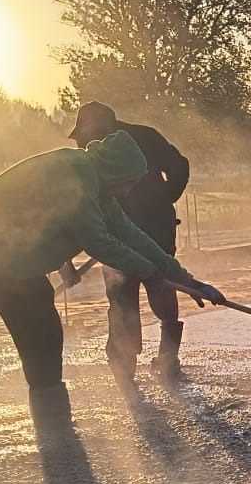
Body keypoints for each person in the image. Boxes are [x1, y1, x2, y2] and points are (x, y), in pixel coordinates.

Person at [0, 130, 224, 463]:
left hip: (18, 266)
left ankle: (56, 434)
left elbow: (132, 237)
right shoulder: (75, 173)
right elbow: (98, 241)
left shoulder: (102, 191)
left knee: (43, 341)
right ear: (116, 170)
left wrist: (188, 280)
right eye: (130, 181)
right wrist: (151, 275)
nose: (132, 189)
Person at [66, 101, 192, 380]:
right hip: (132, 226)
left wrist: (162, 200)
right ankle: (141, 359)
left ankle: (142, 361)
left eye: (84, 138)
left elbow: (179, 167)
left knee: (137, 288)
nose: (83, 145)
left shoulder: (131, 141)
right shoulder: (135, 138)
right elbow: (180, 167)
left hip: (149, 227)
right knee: (146, 285)